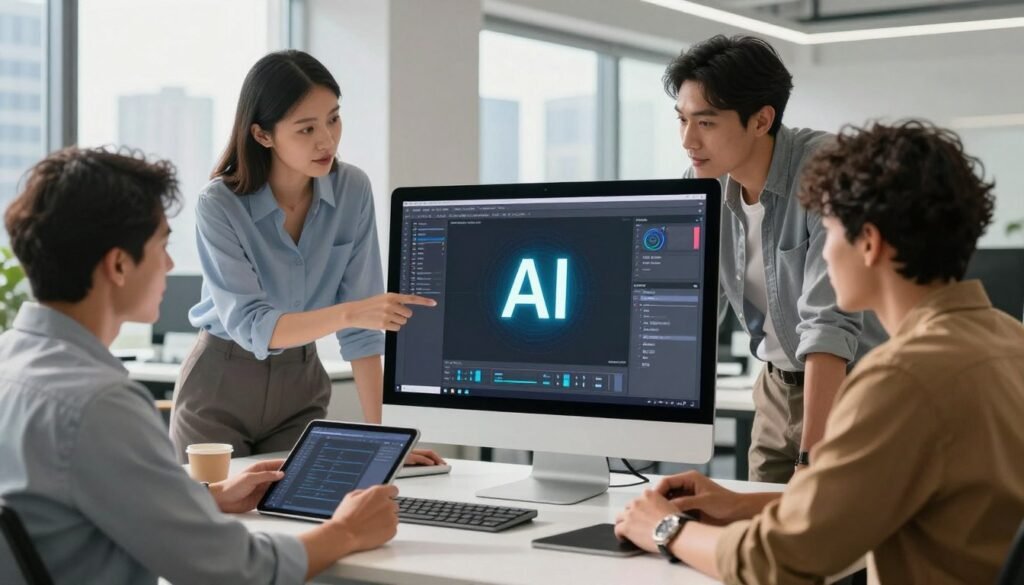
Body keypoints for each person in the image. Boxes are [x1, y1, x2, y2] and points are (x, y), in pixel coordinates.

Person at [615, 120, 1024, 584]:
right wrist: (737, 504)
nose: (823, 253)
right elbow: (862, 503)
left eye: (826, 231)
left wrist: (665, 529)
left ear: (868, 243)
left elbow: (779, 562)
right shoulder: (1009, 341)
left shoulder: (902, 379)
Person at [0, 147, 402, 584]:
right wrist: (346, 531)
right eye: (162, 245)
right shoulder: (99, 405)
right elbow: (234, 570)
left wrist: (204, 498)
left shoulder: (12, 367)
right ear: (118, 264)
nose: (170, 265)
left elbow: (86, 498)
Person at [169, 50, 442, 465]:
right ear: (263, 135)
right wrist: (350, 313)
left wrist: (388, 441)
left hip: (301, 384)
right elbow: (252, 325)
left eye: (333, 118)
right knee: (216, 521)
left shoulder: (352, 189)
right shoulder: (220, 204)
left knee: (299, 515)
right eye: (306, 128)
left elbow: (365, 333)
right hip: (220, 383)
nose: (327, 140)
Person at [667, 35, 887, 483]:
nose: (689, 140)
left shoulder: (827, 171)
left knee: (835, 539)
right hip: (774, 387)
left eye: (706, 123)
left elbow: (830, 325)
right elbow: (689, 304)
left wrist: (811, 461)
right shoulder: (703, 181)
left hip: (852, 386)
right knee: (757, 534)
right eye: (683, 119)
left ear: (761, 120)